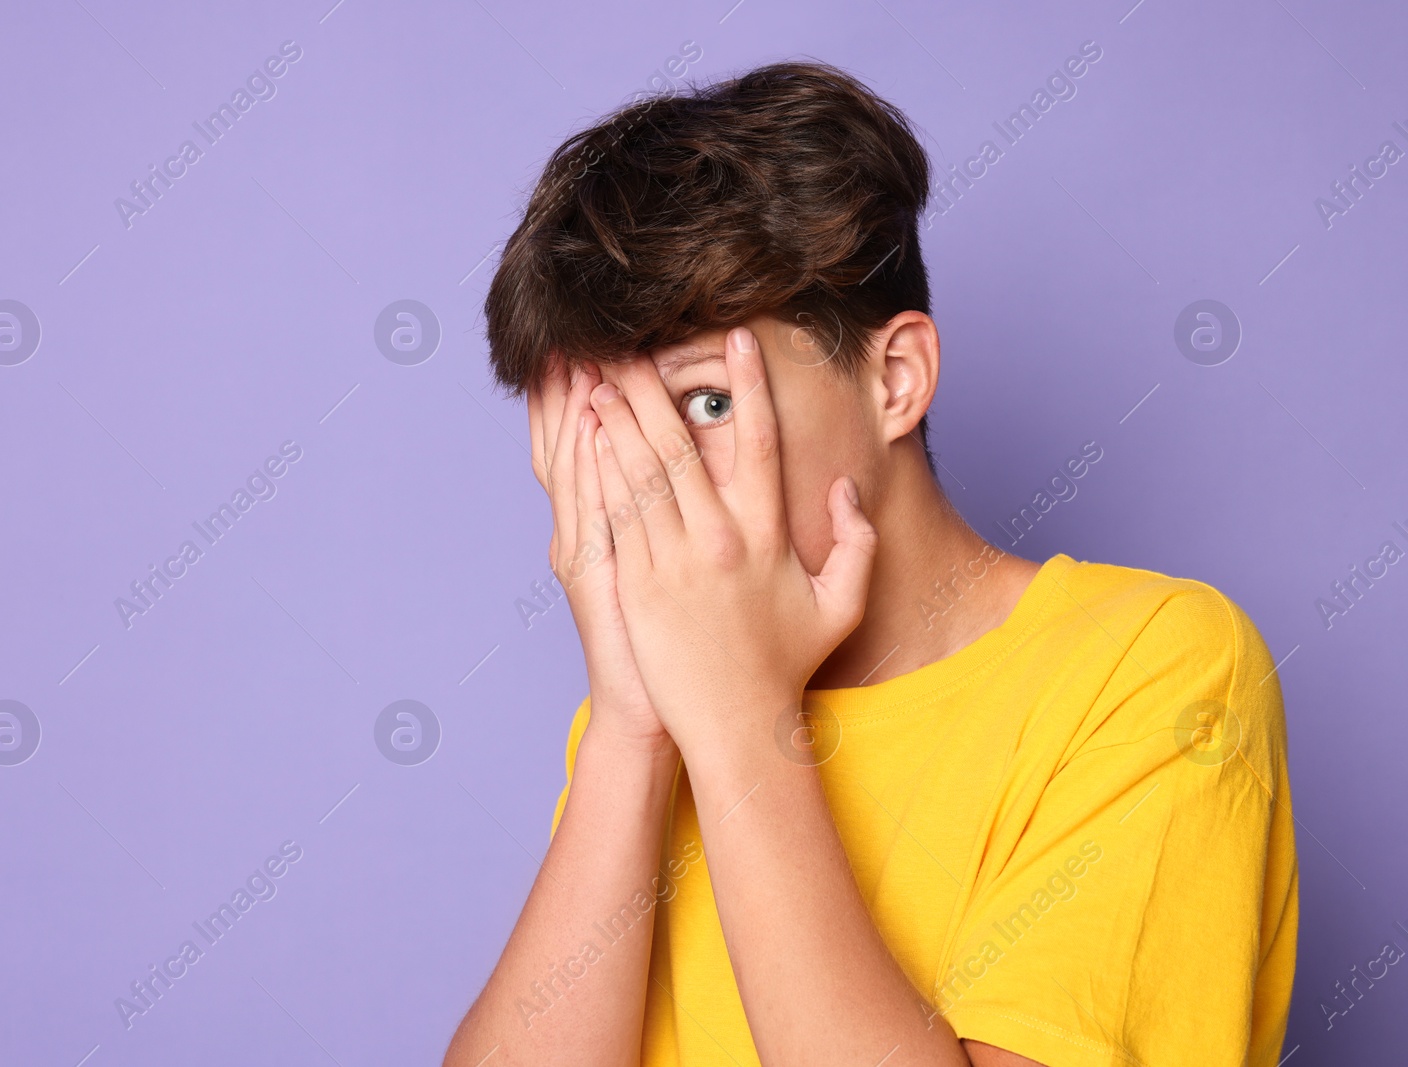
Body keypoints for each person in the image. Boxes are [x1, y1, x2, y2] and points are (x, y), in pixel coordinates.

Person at [445, 61, 1297, 1067]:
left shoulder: (1154, 667)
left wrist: (735, 724)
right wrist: (631, 730)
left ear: (894, 379)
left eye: (706, 402)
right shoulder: (642, 727)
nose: (645, 480)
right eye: (606, 430)